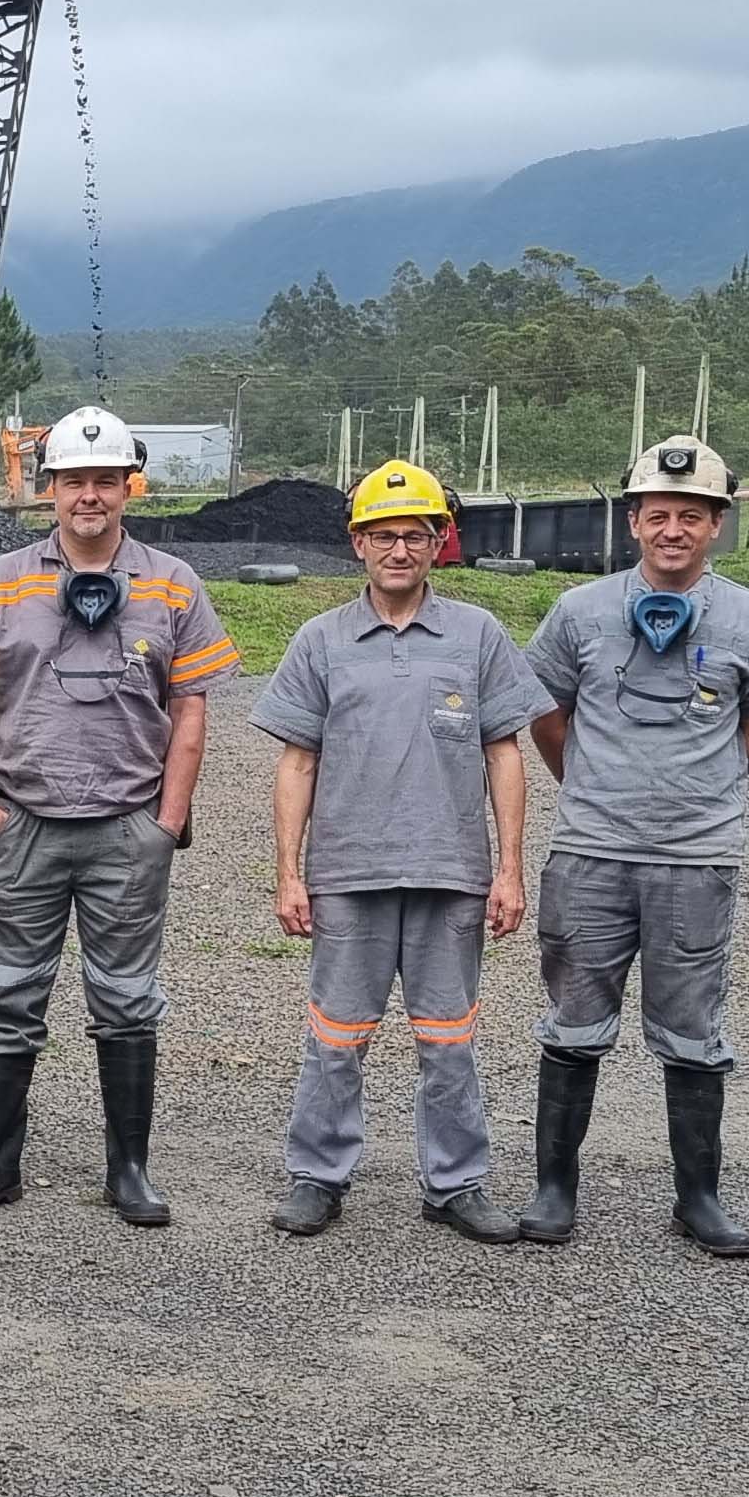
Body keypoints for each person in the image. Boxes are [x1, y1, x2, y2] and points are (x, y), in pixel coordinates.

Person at [0, 405, 236, 1229]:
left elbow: (193, 709)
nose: (89, 496)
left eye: (105, 480)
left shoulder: (174, 582)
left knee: (128, 1000)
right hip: (21, 826)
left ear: (128, 486)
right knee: (4, 998)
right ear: (51, 488)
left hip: (125, 832)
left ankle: (128, 1169)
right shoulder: (2, 579)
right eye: (74, 482)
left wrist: (167, 820)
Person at [521, 436, 749, 1256]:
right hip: (591, 853)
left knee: (692, 1031)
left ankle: (699, 1197)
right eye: (657, 514)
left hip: (697, 860)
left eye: (692, 515)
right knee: (574, 1022)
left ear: (716, 524)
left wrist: (694, 794)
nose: (673, 529)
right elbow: (547, 713)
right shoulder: (579, 611)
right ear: (634, 521)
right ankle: (552, 1190)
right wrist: (593, 786)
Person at [254, 462, 550, 1242]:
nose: (398, 550)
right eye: (383, 536)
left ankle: (456, 1184)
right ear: (357, 543)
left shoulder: (478, 635)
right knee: (336, 1036)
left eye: (414, 536)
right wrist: (288, 873)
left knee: (449, 1041)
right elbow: (297, 762)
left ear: (437, 543)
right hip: (348, 873)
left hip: (451, 872)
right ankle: (317, 1176)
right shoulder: (320, 640)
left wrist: (510, 868)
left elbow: (505, 754)